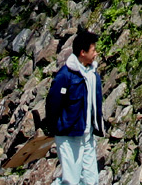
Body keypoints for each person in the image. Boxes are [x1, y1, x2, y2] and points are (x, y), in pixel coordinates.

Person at [45, 29, 103, 185]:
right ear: (82, 52)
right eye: (93, 50)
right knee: (71, 180)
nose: (96, 53)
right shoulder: (65, 75)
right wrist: (54, 127)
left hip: (87, 134)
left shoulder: (93, 74)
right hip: (69, 135)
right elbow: (53, 103)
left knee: (91, 180)